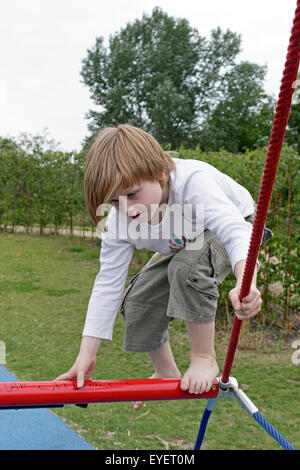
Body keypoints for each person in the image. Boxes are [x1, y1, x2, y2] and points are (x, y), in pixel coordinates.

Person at [55, 124, 272, 410]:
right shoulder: (119, 221)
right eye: (113, 201)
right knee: (136, 300)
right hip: (183, 244)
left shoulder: (194, 182)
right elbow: (107, 284)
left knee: (186, 268)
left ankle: (204, 358)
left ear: (160, 172)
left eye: (132, 194)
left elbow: (234, 232)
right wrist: (86, 354)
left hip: (239, 227)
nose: (126, 208)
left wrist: (247, 281)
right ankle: (166, 370)